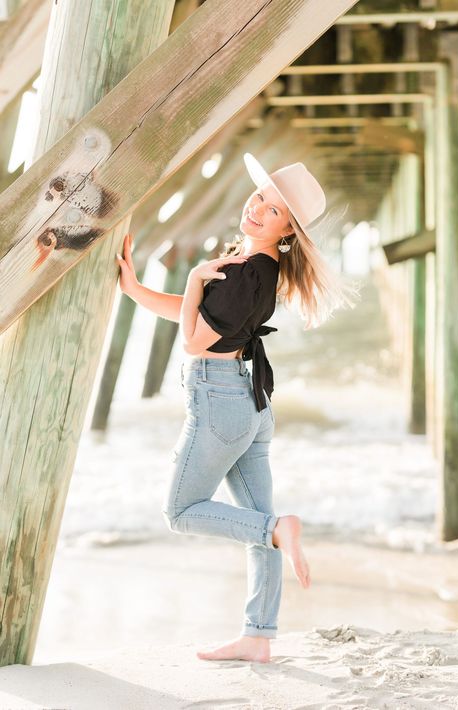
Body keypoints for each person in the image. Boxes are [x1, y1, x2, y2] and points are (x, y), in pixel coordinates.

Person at [116, 152, 359, 663]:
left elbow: (195, 342)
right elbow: (203, 320)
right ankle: (258, 636)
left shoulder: (246, 272)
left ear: (288, 229)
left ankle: (276, 531)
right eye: (259, 198)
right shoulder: (257, 269)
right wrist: (137, 290)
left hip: (220, 400)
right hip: (248, 402)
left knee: (182, 512)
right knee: (256, 516)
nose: (256, 209)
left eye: (272, 211)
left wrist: (195, 280)